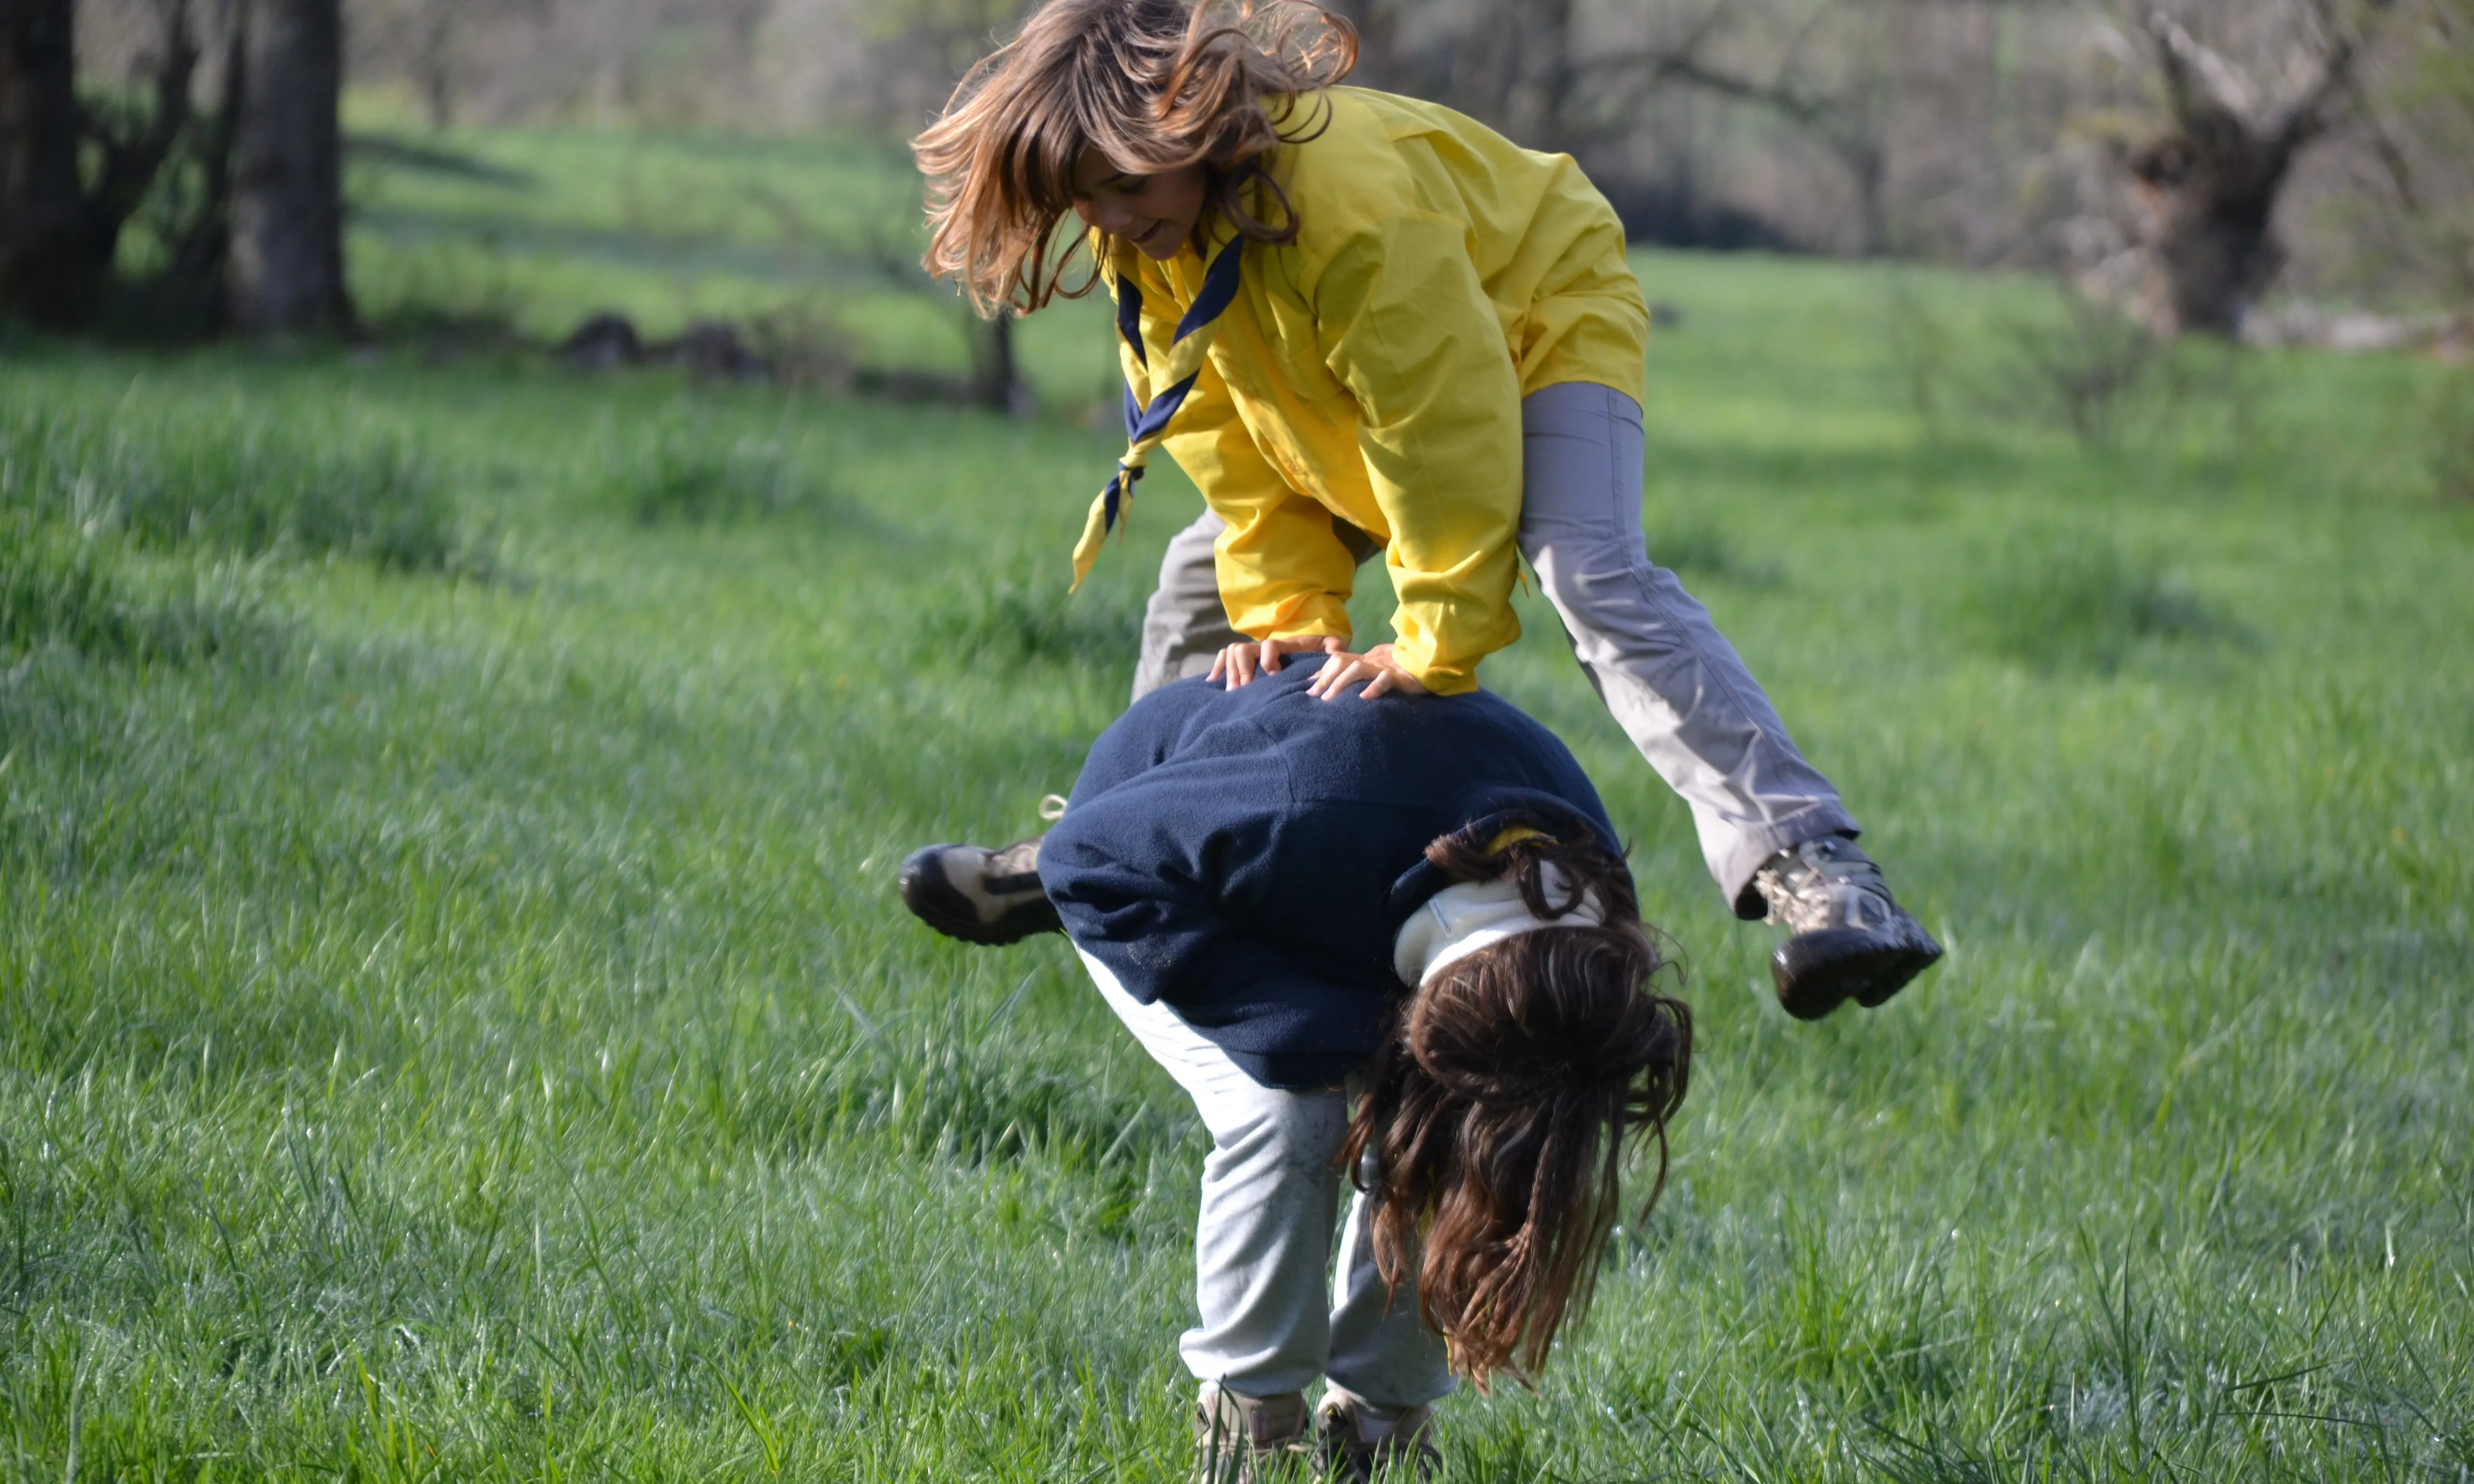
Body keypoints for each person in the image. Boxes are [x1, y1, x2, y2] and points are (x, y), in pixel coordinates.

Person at [898, 0, 1941, 1020]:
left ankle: (1822, 871)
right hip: (1358, 376)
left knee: (1586, 567)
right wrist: (1290, 605)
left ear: (1197, 124)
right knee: (1197, 583)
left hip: (1535, 312)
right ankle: (1108, 843)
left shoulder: (1352, 206)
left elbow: (1441, 422)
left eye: (1123, 185)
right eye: (1085, 201)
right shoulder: (1155, 238)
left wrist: (1434, 634)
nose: (1112, 219)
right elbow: (1224, 428)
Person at [1030, 652, 1692, 1480]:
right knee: (1291, 1111)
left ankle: (1381, 1433)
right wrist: (1301, 1030)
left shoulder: (1591, 934)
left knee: (1444, 1150)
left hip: (1360, 910)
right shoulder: (1306, 799)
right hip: (1164, 877)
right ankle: (1251, 1431)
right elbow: (1085, 860)